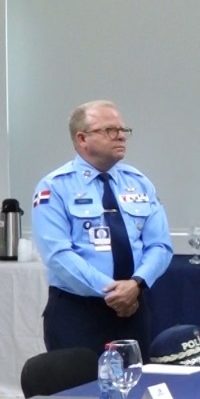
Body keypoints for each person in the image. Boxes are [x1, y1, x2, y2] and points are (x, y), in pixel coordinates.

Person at [32, 100, 173, 358]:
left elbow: (160, 246)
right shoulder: (54, 187)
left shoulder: (139, 182)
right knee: (80, 383)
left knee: (135, 379)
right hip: (79, 312)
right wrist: (114, 292)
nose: (121, 136)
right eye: (110, 130)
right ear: (82, 138)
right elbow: (57, 255)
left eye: (123, 129)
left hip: (133, 307)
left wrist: (136, 284)